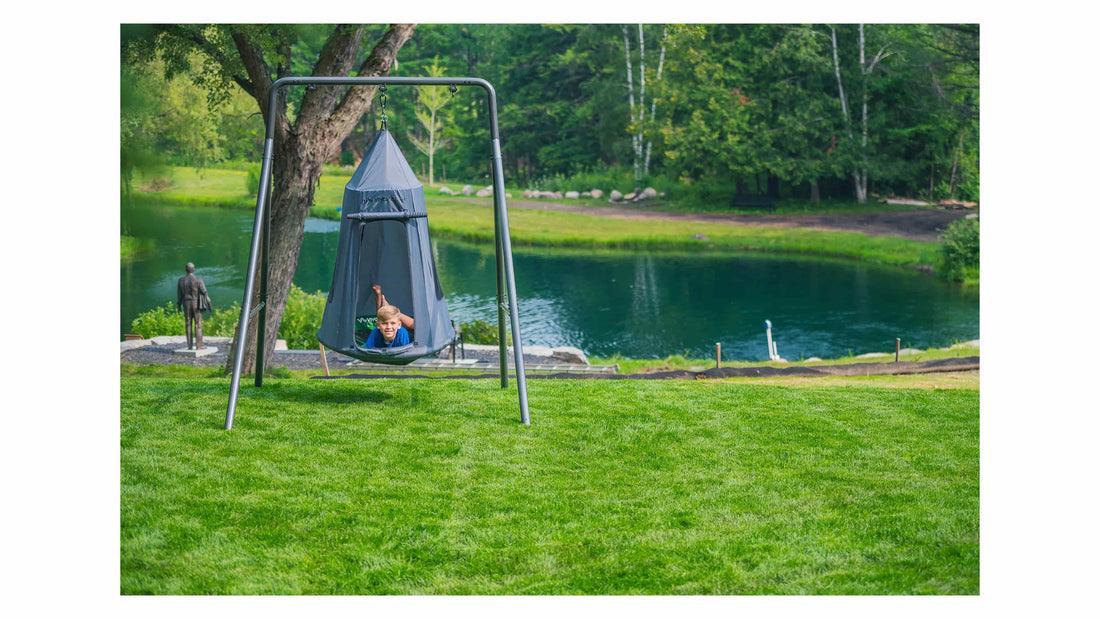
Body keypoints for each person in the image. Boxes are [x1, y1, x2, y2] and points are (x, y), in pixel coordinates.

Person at [176, 262, 212, 349]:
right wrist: (209, 304)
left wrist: (178, 306)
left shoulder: (181, 280)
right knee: (198, 324)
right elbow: (204, 292)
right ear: (193, 269)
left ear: (186, 269)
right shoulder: (197, 279)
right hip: (195, 302)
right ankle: (199, 346)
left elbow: (179, 295)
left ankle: (189, 346)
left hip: (185, 303)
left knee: (188, 323)